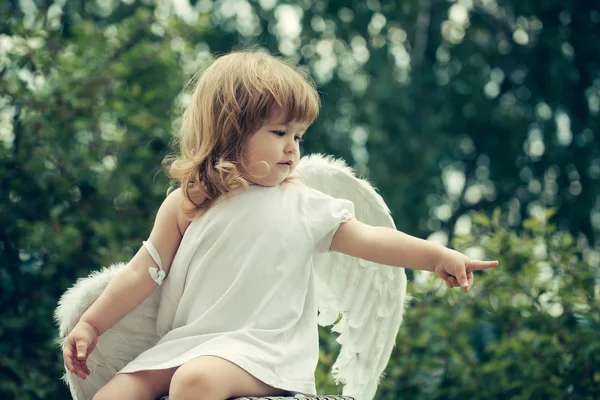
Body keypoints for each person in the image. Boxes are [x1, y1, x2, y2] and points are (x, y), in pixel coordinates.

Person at [62, 51, 498, 400]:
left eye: (298, 136)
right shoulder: (187, 202)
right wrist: (91, 325)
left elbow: (371, 239)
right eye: (280, 132)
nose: (293, 147)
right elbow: (143, 271)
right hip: (186, 343)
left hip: (260, 351)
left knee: (194, 385)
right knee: (115, 394)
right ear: (231, 130)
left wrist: (437, 255)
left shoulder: (301, 202)